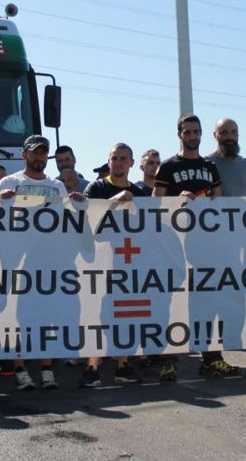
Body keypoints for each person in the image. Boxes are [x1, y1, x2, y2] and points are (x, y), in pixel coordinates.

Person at [0, 135, 84, 390]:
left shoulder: (57, 187)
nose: (39, 157)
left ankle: (46, 369)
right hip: (16, 260)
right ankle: (20, 368)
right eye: (34, 152)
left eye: (43, 153)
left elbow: (66, 223)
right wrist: (0, 201)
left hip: (47, 262)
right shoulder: (8, 182)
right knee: (17, 318)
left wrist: (79, 206)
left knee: (46, 316)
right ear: (24, 154)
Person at [154, 114, 239, 380]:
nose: (192, 136)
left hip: (205, 247)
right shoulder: (168, 167)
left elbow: (219, 202)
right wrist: (176, 201)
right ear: (179, 135)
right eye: (187, 132)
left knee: (207, 303)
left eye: (196, 131)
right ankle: (168, 362)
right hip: (174, 247)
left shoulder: (209, 167)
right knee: (173, 305)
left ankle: (211, 358)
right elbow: (154, 205)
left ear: (201, 134)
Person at [77, 143, 146, 388]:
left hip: (128, 262)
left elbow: (149, 226)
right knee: (96, 314)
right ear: (108, 161)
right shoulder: (96, 188)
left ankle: (123, 365)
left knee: (124, 313)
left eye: (123, 158)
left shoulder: (140, 193)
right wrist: (113, 202)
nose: (118, 163)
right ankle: (91, 368)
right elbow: (86, 219)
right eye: (114, 158)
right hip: (99, 261)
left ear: (131, 162)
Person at [204, 117, 246, 197]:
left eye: (233, 132)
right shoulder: (205, 165)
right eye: (224, 133)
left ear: (237, 135)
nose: (229, 137)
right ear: (215, 135)